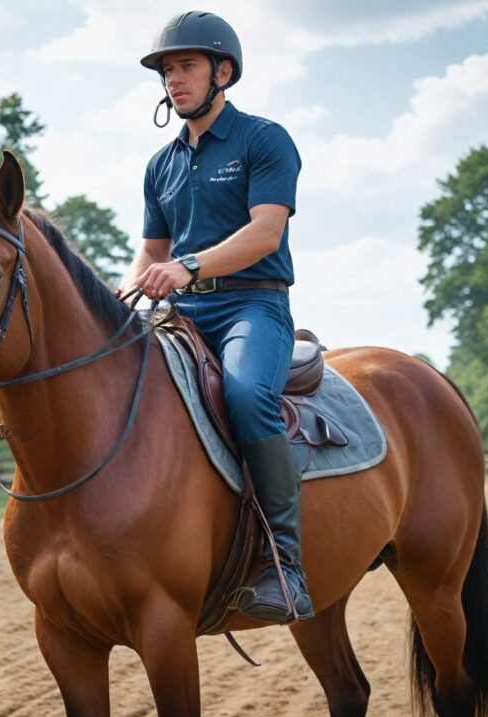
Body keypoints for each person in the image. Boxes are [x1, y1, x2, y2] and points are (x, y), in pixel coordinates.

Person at [117, 11, 313, 624]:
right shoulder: (160, 164)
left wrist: (189, 265)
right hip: (183, 311)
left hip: (253, 305)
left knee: (246, 392)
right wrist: (118, 301)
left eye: (186, 68)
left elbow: (264, 232)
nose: (174, 81)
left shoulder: (264, 139)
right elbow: (150, 254)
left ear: (222, 72)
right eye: (168, 71)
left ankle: (287, 564)